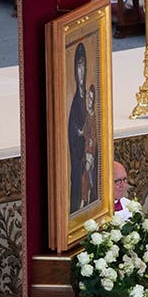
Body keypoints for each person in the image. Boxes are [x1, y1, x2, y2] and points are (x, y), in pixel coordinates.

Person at [67, 43, 88, 212]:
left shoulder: (87, 95)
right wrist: (79, 133)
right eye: (78, 66)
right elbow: (71, 125)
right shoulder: (75, 99)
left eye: (83, 65)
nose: (81, 71)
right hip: (77, 152)